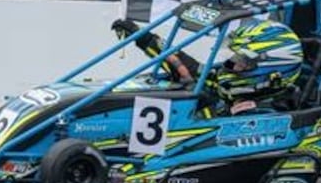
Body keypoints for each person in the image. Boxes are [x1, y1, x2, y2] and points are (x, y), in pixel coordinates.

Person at [111, 18, 304, 116]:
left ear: (270, 71)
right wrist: (145, 38)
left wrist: (204, 104)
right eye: (234, 58)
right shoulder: (231, 88)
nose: (233, 65)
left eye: (242, 62)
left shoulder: (271, 112)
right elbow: (190, 69)